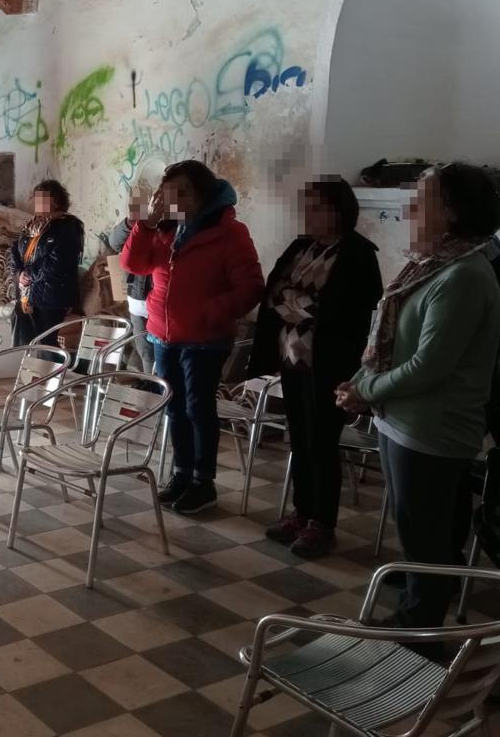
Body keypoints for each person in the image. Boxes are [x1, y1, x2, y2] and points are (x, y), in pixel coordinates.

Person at [337, 163, 500, 630]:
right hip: (401, 417)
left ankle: (419, 629)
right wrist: (359, 382)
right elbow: (389, 340)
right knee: (417, 526)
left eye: (421, 199)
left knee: (425, 531)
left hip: (432, 426)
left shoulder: (464, 276)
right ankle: (421, 591)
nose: (410, 207)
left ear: (450, 212)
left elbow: (429, 366)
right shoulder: (433, 264)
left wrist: (364, 389)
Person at [248, 178, 382, 558]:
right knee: (300, 440)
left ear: (339, 211)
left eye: (316, 206)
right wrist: (301, 305)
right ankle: (301, 512)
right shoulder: (301, 247)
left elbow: (342, 312)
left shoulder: (357, 254)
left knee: (322, 443)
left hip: (331, 365)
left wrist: (296, 304)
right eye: (306, 205)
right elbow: (273, 295)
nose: (307, 214)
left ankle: (322, 523)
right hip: (294, 361)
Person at [122, 160, 264, 515]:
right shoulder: (165, 230)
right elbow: (133, 264)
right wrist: (146, 222)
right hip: (163, 337)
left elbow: (250, 288)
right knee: (174, 408)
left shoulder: (229, 233)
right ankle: (181, 474)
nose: (176, 200)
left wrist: (207, 313)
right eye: (170, 193)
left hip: (204, 340)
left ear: (203, 195)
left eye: (184, 192)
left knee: (198, 409)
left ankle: (204, 482)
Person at [108, 159, 167, 372]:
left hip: (160, 299)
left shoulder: (172, 226)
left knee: (162, 357)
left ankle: (158, 395)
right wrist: (130, 223)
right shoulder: (135, 224)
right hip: (137, 298)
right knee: (145, 352)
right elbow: (114, 243)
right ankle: (150, 392)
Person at [11, 179, 84, 347]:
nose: (37, 202)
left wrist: (29, 274)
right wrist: (19, 273)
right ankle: (37, 373)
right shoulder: (32, 226)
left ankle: (52, 373)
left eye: (42, 198)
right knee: (33, 343)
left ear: (56, 201)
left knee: (48, 344)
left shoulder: (68, 227)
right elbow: (16, 250)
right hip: (31, 295)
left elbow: (56, 263)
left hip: (53, 298)